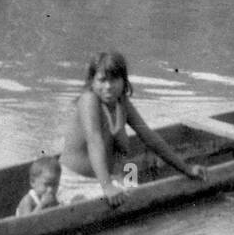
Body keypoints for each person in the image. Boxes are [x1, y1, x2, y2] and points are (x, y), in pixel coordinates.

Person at [58, 51, 206, 206]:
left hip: (109, 178)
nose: (108, 86)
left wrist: (187, 169)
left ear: (124, 81)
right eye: (102, 80)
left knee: (133, 190)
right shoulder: (89, 100)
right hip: (75, 181)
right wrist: (107, 186)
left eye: (114, 80)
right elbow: (94, 141)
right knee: (124, 198)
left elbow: (149, 136)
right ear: (92, 82)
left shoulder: (122, 102)